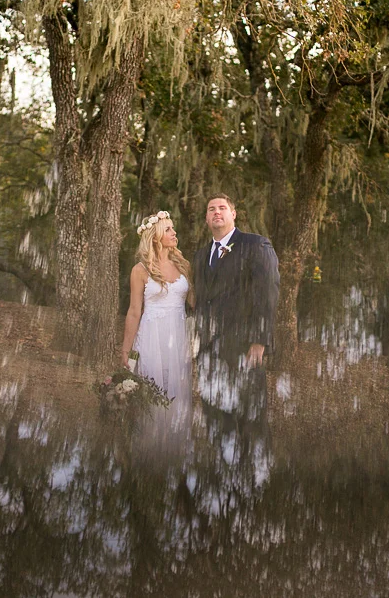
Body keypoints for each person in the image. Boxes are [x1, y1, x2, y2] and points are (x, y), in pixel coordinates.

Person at [193, 194, 279, 483]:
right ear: (206, 218)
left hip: (244, 345)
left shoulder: (255, 245)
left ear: (234, 214)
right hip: (209, 350)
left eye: (222, 208)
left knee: (249, 413)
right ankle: (223, 474)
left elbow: (267, 293)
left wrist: (259, 340)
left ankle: (254, 478)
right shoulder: (200, 255)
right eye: (211, 209)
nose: (216, 212)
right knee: (215, 413)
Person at [119, 210, 193, 450]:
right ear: (155, 237)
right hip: (151, 337)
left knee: (176, 389)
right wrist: (126, 351)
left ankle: (173, 445)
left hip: (178, 336)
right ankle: (147, 445)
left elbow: (195, 303)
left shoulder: (183, 265)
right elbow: (133, 311)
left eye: (173, 228)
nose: (174, 233)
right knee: (152, 389)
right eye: (168, 230)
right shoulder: (140, 270)